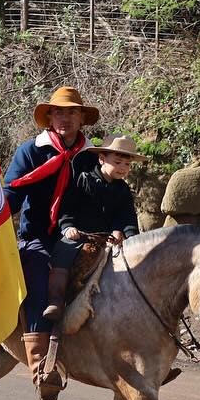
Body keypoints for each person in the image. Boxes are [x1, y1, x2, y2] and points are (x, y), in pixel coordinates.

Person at [3, 86, 101, 400]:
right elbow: (12, 195)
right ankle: (42, 369)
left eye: (72, 112)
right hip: (38, 236)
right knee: (36, 270)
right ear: (49, 117)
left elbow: (105, 195)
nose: (65, 117)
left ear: (82, 118)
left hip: (82, 234)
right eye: (59, 112)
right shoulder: (31, 152)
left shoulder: (92, 156)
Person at [43, 135, 144, 324]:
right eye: (118, 162)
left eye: (127, 164)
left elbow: (126, 216)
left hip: (106, 239)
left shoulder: (123, 190)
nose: (123, 168)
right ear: (102, 159)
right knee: (63, 253)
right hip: (79, 234)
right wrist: (68, 227)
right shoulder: (83, 179)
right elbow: (67, 208)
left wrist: (126, 234)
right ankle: (55, 300)